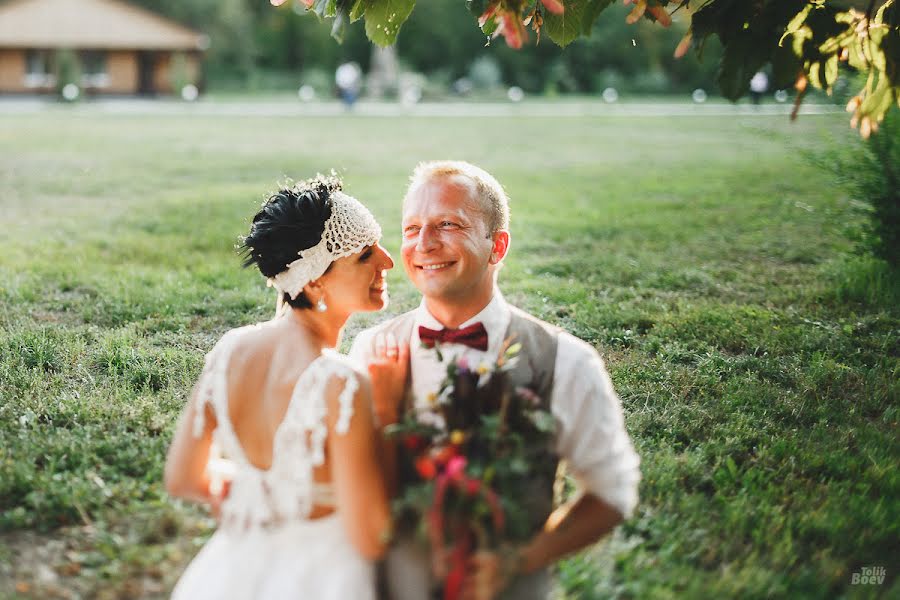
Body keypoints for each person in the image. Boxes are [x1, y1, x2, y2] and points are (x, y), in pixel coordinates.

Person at [350, 161, 641, 600]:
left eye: (448, 224)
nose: (424, 244)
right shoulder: (371, 349)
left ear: (497, 246)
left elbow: (611, 493)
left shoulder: (566, 361)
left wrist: (520, 559)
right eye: (412, 228)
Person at [165, 175, 408, 599]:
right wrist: (386, 412)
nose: (387, 262)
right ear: (314, 282)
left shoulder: (229, 351)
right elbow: (370, 537)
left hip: (233, 572)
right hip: (324, 580)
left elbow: (183, 478)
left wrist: (260, 489)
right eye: (365, 254)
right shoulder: (341, 384)